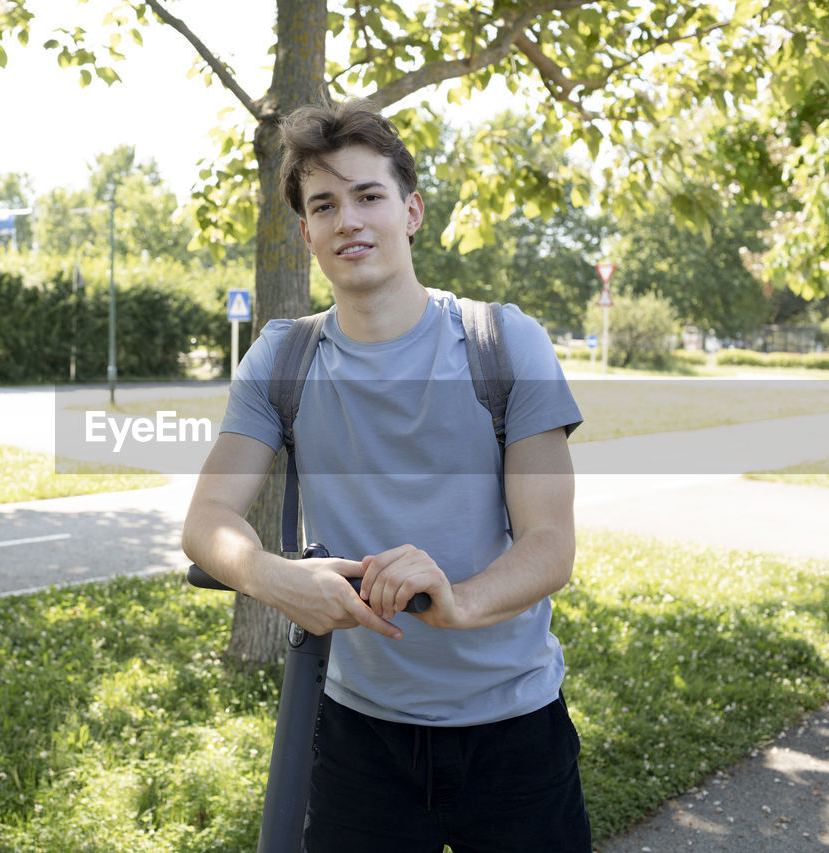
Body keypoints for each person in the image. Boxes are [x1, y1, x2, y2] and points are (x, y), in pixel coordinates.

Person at [181, 98, 591, 852]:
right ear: (306, 232)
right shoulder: (281, 358)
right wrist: (274, 578)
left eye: (368, 195)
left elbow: (549, 543)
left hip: (515, 732)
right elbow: (207, 520)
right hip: (359, 736)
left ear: (411, 210)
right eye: (324, 205)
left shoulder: (504, 341)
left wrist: (460, 602)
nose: (349, 221)